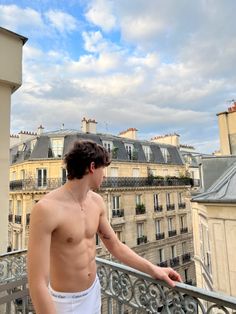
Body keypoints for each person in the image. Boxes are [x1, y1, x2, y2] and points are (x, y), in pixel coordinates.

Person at [27, 140, 182, 314]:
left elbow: (116, 246)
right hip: (65, 303)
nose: (105, 175)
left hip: (93, 292)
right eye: (104, 169)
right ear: (92, 167)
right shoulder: (46, 209)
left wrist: (155, 270)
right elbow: (37, 283)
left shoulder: (97, 202)